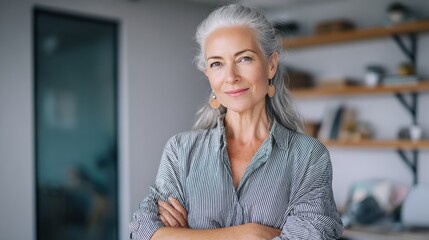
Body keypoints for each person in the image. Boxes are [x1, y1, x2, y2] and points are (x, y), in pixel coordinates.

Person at [130, 4, 343, 240]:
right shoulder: (180, 152)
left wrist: (184, 235)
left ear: (271, 65)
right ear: (208, 75)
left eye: (244, 58)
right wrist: (250, 233)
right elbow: (142, 231)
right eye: (217, 63)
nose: (231, 77)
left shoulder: (309, 156)